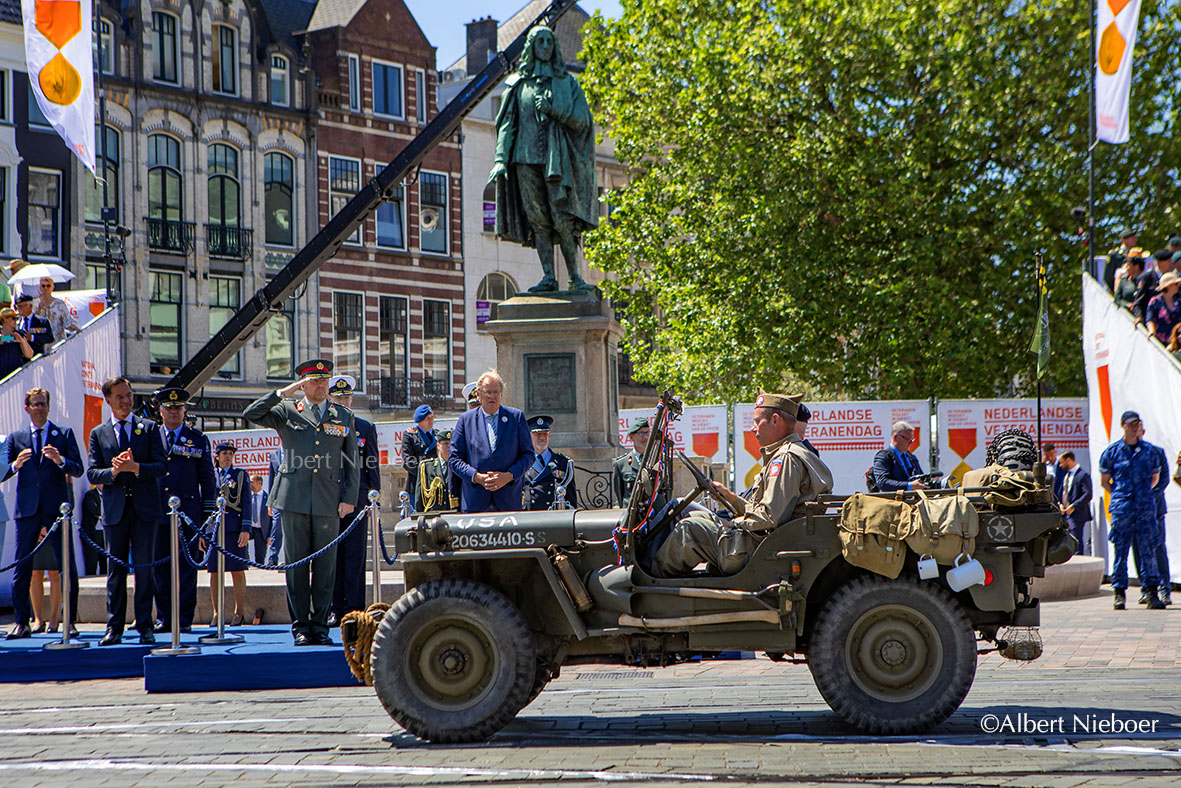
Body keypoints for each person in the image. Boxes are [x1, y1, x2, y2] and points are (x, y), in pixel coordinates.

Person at [651, 391, 834, 578]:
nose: (753, 428)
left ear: (775, 420)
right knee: (696, 515)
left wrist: (734, 523)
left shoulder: (785, 459)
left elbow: (769, 517)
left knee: (688, 528)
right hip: (764, 542)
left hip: (756, 548)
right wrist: (729, 497)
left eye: (756, 421)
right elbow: (765, 510)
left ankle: (651, 584)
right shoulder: (791, 453)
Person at [242, 358, 359, 646]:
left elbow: (352, 461)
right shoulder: (286, 410)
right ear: (303, 383)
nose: (321, 385)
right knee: (295, 566)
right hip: (293, 498)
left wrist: (349, 498)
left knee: (325, 566)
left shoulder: (341, 415)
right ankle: (300, 627)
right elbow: (251, 413)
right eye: (315, 380)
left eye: (324, 380)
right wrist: (284, 392)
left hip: (328, 500)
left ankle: (320, 625)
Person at [489, 25, 597, 294]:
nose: (546, 46)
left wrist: (555, 111)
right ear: (532, 47)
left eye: (550, 41)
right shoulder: (518, 86)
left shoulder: (568, 84)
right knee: (538, 219)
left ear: (555, 48)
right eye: (540, 41)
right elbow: (507, 125)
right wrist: (500, 159)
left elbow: (583, 120)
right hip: (524, 159)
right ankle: (549, 275)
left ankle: (575, 276)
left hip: (556, 161)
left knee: (562, 218)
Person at [87, 376, 168, 646]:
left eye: (129, 395)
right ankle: (114, 627)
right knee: (115, 571)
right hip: (115, 511)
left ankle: (145, 624)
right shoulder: (99, 433)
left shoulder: (150, 428)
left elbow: (161, 466)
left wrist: (136, 468)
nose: (126, 401)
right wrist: (113, 471)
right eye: (120, 396)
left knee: (144, 569)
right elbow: (92, 471)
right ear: (108, 400)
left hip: (145, 510)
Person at [3, 387, 84, 639]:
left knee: (66, 566)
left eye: (43, 404)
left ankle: (68, 620)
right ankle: (21, 621)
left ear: (49, 407)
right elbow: (2, 470)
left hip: (56, 509)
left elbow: (79, 469)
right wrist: (16, 464)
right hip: (27, 510)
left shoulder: (64, 434)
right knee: (22, 567)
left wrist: (60, 461)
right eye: (35, 404)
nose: (39, 408)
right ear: (26, 408)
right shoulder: (16, 438)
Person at [152, 388, 216, 633]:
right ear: (161, 411)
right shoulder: (151, 436)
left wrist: (206, 520)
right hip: (157, 512)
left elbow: (208, 480)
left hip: (189, 514)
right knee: (160, 568)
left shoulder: (197, 438)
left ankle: (184, 618)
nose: (174, 412)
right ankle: (164, 617)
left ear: (185, 410)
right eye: (169, 408)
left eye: (178, 408)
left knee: (187, 569)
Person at [326, 374, 381, 626]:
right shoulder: (323, 425)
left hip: (357, 502)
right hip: (328, 500)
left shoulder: (365, 428)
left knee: (355, 557)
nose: (343, 402)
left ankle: (355, 609)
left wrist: (373, 500)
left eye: (346, 397)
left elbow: (372, 467)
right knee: (331, 557)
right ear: (330, 399)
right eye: (338, 398)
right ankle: (335, 609)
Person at [1099, 410, 1165, 610]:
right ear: (1123, 426)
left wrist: (1142, 494)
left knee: (1148, 551)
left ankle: (1152, 592)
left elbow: (1155, 478)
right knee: (1121, 552)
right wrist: (1122, 494)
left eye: (1137, 423)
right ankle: (1119, 594)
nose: (1135, 426)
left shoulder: (1150, 451)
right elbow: (1105, 481)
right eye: (1131, 424)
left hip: (1145, 509)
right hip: (1123, 509)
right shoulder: (1112, 452)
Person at [448, 370, 534, 513]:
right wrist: (476, 477)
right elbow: (454, 459)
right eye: (488, 392)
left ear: (501, 395)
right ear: (479, 394)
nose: (492, 396)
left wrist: (509, 476)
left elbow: (528, 455)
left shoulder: (516, 417)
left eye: (496, 392)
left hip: (508, 501)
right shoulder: (466, 420)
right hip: (475, 502)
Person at [205, 443, 250, 627]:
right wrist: (203, 532)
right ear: (216, 456)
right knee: (215, 572)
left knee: (237, 571)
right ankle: (217, 613)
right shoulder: (209, 475)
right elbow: (205, 503)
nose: (228, 457)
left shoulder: (240, 475)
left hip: (233, 528)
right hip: (215, 529)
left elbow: (246, 502)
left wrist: (245, 529)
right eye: (224, 453)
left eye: (231, 453)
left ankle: (238, 612)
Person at [1133, 424, 1172, 606]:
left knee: (1158, 549)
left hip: (1155, 510)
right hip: (1134, 512)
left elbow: (1163, 481)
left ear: (1143, 431)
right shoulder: (1124, 454)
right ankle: (1146, 589)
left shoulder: (1156, 452)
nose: (1134, 432)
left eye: (1137, 428)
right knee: (1138, 550)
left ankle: (1164, 589)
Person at [524, 415, 577, 510]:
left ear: (549, 436)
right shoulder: (522, 461)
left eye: (545, 434)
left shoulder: (562, 463)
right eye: (538, 434)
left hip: (553, 517)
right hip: (529, 517)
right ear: (528, 436)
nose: (542, 438)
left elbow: (571, 499)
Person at [871, 422, 928, 492]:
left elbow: (921, 478)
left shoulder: (911, 458)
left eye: (912, 440)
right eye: (908, 440)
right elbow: (882, 483)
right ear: (895, 437)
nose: (911, 443)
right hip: (895, 501)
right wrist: (910, 486)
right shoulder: (884, 456)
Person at [1056, 451, 1092, 556]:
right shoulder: (1067, 475)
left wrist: (1074, 506)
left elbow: (1088, 494)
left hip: (1077, 514)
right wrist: (1061, 505)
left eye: (1062, 462)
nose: (1060, 465)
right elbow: (1061, 493)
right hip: (1066, 513)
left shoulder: (1082, 475)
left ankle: (1079, 560)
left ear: (1069, 460)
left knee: (1076, 538)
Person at [415, 429, 459, 512]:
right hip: (434, 514)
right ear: (438, 445)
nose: (449, 447)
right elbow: (419, 498)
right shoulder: (427, 467)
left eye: (451, 444)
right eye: (445, 443)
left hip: (455, 514)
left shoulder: (459, 466)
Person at [401, 404, 436, 504]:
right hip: (417, 485)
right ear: (420, 421)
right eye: (427, 419)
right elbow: (408, 461)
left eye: (432, 417)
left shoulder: (437, 435)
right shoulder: (410, 435)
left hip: (436, 486)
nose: (431, 421)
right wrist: (426, 475)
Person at [613, 418, 650, 507]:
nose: (645, 437)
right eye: (641, 433)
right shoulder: (621, 464)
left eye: (647, 432)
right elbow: (620, 494)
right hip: (632, 515)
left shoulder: (659, 461)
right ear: (631, 437)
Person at [1132, 249, 1175, 322]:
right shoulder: (1147, 278)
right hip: (1151, 320)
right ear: (1159, 263)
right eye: (1168, 261)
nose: (1171, 264)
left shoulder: (1173, 277)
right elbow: (1139, 302)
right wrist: (1139, 317)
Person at [33, 276, 79, 342]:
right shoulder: (34, 303)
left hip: (58, 341)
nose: (46, 288)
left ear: (52, 287)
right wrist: (38, 311)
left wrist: (76, 328)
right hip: (41, 341)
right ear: (40, 288)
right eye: (43, 286)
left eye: (48, 286)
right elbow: (32, 324)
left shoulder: (60, 304)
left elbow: (67, 322)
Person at [1144, 271, 1181, 345]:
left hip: (1176, 343)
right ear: (1168, 286)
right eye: (1176, 284)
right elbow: (1149, 319)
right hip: (1160, 343)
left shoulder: (1179, 302)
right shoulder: (1155, 302)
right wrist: (1151, 330)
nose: (1178, 286)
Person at [0, 306, 34, 378]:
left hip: (17, 374)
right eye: (13, 318)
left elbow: (29, 355)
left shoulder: (19, 334)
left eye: (17, 318)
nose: (16, 321)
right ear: (4, 319)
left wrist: (23, 342)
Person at [80, 484, 105, 576]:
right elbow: (95, 511)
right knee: (92, 560)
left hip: (104, 532)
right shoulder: (90, 495)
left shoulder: (109, 494)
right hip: (92, 533)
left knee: (105, 560)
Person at [265, 447, 284, 566]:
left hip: (295, 496)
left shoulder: (296, 449)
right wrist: (270, 502)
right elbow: (272, 478)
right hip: (278, 498)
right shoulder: (274, 454)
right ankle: (273, 558)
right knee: (276, 526)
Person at [248, 475, 268, 565]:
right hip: (249, 527)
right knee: (242, 548)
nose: (250, 484)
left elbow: (272, 518)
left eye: (252, 482)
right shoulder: (247, 497)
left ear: (259, 483)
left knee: (260, 555)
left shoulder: (267, 498)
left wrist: (270, 535)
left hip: (261, 529)